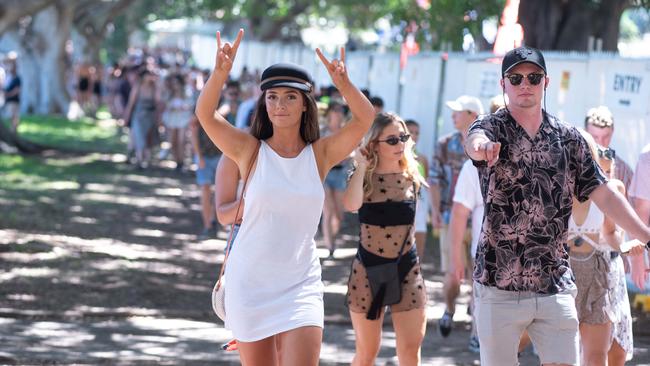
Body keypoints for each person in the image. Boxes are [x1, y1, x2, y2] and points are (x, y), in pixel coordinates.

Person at [195, 29, 374, 365]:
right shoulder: (249, 150)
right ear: (264, 102)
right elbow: (206, 115)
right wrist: (220, 74)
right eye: (272, 96)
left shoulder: (318, 155)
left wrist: (343, 82)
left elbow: (365, 119)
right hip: (250, 284)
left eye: (290, 97)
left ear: (306, 105)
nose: (280, 105)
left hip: (301, 283)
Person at [464, 46, 650, 366]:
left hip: (555, 284)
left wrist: (645, 235)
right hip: (499, 284)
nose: (525, 84)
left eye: (533, 77)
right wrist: (482, 148)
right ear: (503, 84)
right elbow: (474, 140)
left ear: (546, 82)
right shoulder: (492, 127)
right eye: (516, 77)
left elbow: (603, 193)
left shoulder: (568, 138)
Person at [342, 112, 428, 366]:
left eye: (403, 138)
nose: (400, 144)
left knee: (410, 351)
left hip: (408, 270)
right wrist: (361, 166)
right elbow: (350, 204)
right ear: (373, 144)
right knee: (368, 352)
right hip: (368, 271)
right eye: (391, 140)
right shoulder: (363, 178)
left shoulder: (413, 177)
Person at [566, 129, 638, 366]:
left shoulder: (607, 189)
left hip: (596, 277)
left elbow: (610, 232)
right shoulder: (555, 188)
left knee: (596, 358)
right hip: (562, 277)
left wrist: (626, 247)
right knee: (560, 356)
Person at [432, 94, 483, 338]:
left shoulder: (486, 146)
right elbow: (434, 180)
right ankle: (449, 308)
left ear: (473, 116)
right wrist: (435, 212)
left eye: (458, 111)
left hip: (481, 221)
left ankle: (476, 325)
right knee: (453, 275)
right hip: (450, 217)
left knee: (478, 275)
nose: (453, 115)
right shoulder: (444, 144)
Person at [321, 100, 350, 258]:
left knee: (339, 214)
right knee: (329, 211)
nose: (338, 113)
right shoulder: (322, 131)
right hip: (325, 173)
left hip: (340, 173)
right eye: (335, 110)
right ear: (329, 113)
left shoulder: (345, 131)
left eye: (340, 110)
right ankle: (329, 244)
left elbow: (353, 150)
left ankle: (333, 237)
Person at [585, 106, 634, 192]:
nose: (600, 143)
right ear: (586, 132)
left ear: (612, 131)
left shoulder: (623, 170)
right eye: (595, 137)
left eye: (606, 136)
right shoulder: (573, 163)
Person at [405, 119, 430, 260]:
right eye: (410, 132)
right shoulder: (396, 157)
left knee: (420, 234)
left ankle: (417, 268)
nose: (414, 136)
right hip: (403, 201)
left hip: (419, 202)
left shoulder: (422, 159)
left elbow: (426, 183)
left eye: (417, 133)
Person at [162, 73, 192, 171]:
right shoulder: (170, 93)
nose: (175, 85)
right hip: (172, 119)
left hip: (183, 119)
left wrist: (182, 107)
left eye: (177, 83)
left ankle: (182, 161)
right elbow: (165, 104)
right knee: (173, 141)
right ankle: (177, 162)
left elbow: (190, 104)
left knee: (181, 140)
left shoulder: (187, 92)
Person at [2, 56, 20, 134]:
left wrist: (8, 94)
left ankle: (14, 131)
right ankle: (12, 130)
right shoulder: (8, 78)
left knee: (14, 116)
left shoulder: (17, 78)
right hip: (8, 100)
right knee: (10, 116)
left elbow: (17, 90)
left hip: (14, 101)